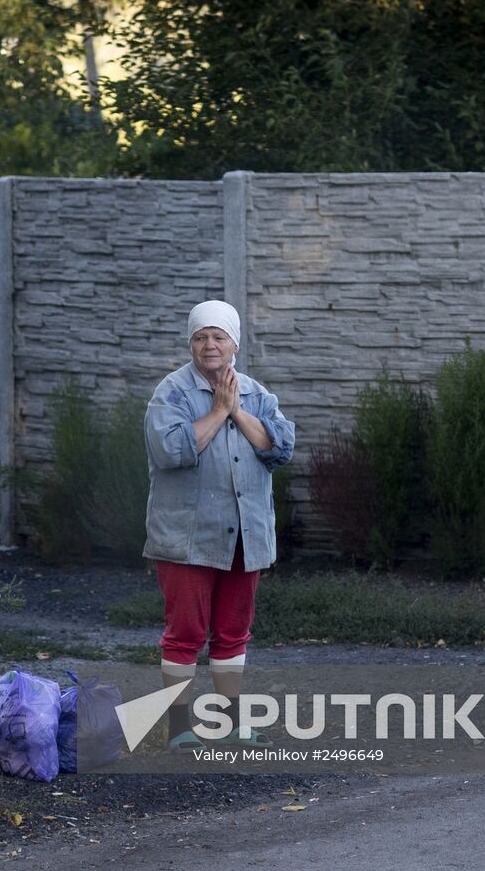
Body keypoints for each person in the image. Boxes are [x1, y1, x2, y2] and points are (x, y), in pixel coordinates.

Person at [143, 299, 295, 750]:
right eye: (200, 337)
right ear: (190, 343)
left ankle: (228, 722)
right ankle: (178, 728)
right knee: (185, 633)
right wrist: (215, 411)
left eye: (218, 336)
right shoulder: (170, 393)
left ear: (234, 343)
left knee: (233, 632)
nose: (210, 345)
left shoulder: (256, 393)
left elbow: (280, 448)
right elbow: (169, 452)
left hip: (244, 538)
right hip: (187, 539)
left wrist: (236, 410)